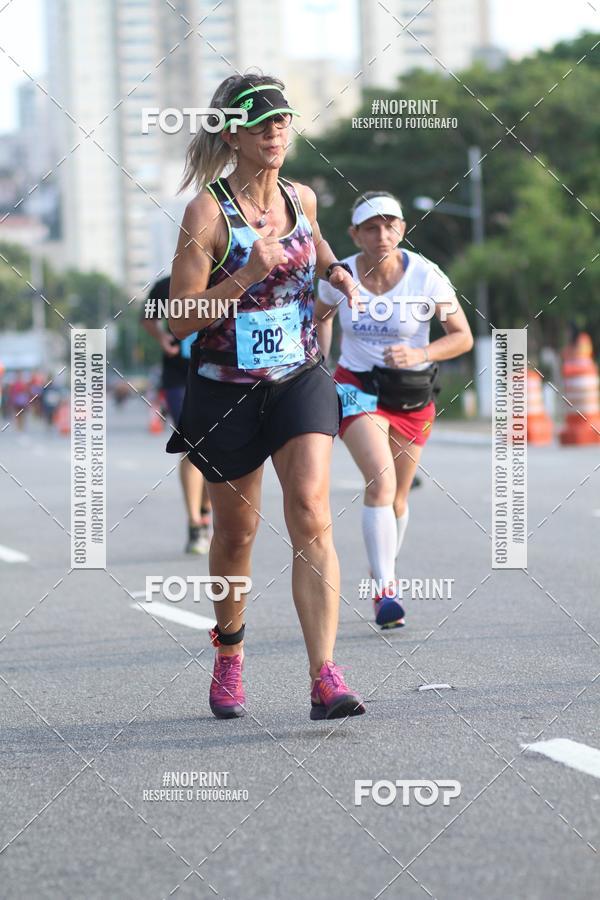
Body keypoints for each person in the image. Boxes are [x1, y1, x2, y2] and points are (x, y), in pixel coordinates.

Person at [166, 73, 366, 721]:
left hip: (298, 377)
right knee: (236, 533)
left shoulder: (301, 197)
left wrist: (335, 271)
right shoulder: (206, 214)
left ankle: (324, 676)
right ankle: (229, 652)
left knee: (310, 509)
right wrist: (246, 275)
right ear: (233, 135)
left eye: (282, 120)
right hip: (225, 390)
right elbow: (179, 318)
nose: (275, 131)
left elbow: (317, 242)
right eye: (260, 123)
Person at [315, 191, 473, 629]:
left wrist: (421, 353)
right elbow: (321, 316)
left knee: (398, 497)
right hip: (357, 386)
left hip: (410, 393)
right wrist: (321, 365)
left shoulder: (426, 276)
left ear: (402, 229)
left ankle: (383, 568)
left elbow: (461, 336)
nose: (381, 235)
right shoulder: (340, 275)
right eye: (371, 228)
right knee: (380, 482)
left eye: (390, 226)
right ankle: (386, 589)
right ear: (355, 234)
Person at [142, 275, 212, 553]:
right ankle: (195, 524)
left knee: (215, 447)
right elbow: (148, 319)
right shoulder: (164, 286)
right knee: (192, 444)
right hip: (178, 376)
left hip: (217, 371)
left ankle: (205, 510)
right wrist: (163, 339)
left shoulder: (222, 276)